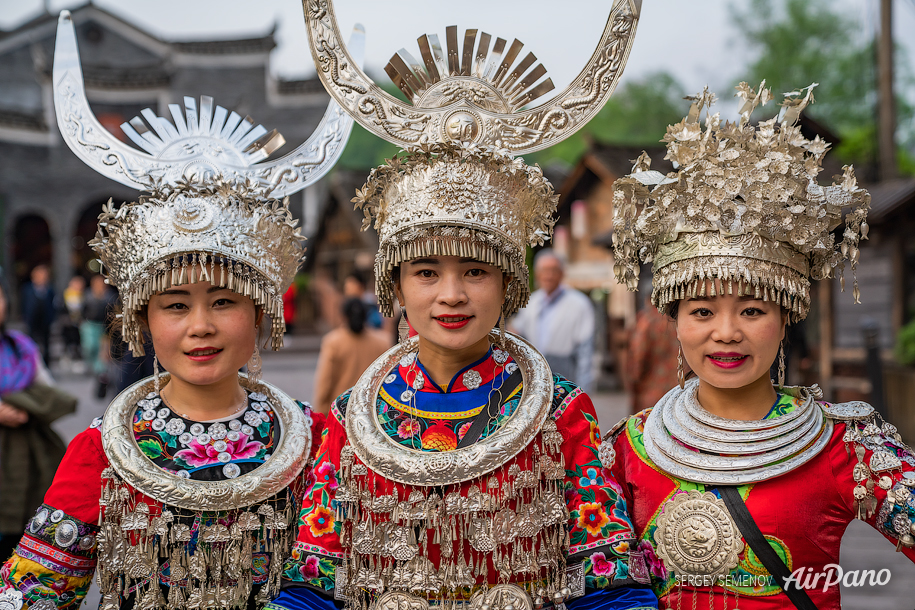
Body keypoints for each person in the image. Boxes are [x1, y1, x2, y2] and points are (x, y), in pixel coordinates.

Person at [272, 3, 655, 608]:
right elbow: (310, 580)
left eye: (474, 271)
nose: (451, 294)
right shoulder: (349, 422)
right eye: (427, 272)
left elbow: (611, 583)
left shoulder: (561, 414)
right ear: (396, 286)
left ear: (510, 283)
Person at [0, 11, 358, 609]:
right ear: (142, 319)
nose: (201, 326)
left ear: (263, 311)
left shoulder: (315, 445)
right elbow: (30, 594)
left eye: (224, 301)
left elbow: (333, 581)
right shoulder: (100, 453)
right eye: (175, 306)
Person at [604, 83, 915, 608]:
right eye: (702, 312)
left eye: (752, 310)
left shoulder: (847, 445)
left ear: (785, 317)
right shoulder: (625, 451)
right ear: (674, 322)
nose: (726, 332)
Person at [0, 276, 77, 562]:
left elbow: (46, 387)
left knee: (20, 534)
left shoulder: (20, 346)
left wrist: (29, 405)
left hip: (25, 450)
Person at [511, 250, 596, 393]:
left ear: (562, 273)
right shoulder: (532, 301)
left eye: (553, 270)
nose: (548, 276)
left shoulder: (579, 303)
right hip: (536, 377)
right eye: (544, 270)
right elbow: (519, 332)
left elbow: (585, 354)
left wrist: (583, 391)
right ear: (537, 273)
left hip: (567, 375)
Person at [311, 298, 391, 415]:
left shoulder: (333, 341)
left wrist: (321, 411)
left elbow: (325, 381)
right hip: (373, 411)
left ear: (344, 316)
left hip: (341, 411)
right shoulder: (383, 341)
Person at [625, 297, 681, 414]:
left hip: (651, 391)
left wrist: (633, 380)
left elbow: (637, 355)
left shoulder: (647, 320)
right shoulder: (677, 320)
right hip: (679, 388)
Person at [80, 274, 116, 395]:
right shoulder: (88, 295)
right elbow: (83, 310)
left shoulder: (110, 297)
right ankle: (94, 367)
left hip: (103, 327)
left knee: (102, 351)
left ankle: (100, 372)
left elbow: (111, 314)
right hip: (89, 326)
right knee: (89, 347)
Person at [20, 265, 55, 365]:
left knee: (46, 344)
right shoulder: (27, 289)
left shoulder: (49, 289)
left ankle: (46, 365)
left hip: (45, 320)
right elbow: (24, 303)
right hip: (32, 320)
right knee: (31, 343)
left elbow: (53, 304)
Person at [60, 275, 85, 370]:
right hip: (67, 324)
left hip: (78, 324)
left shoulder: (83, 295)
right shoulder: (65, 295)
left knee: (77, 342)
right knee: (68, 341)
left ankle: (77, 360)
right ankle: (67, 358)